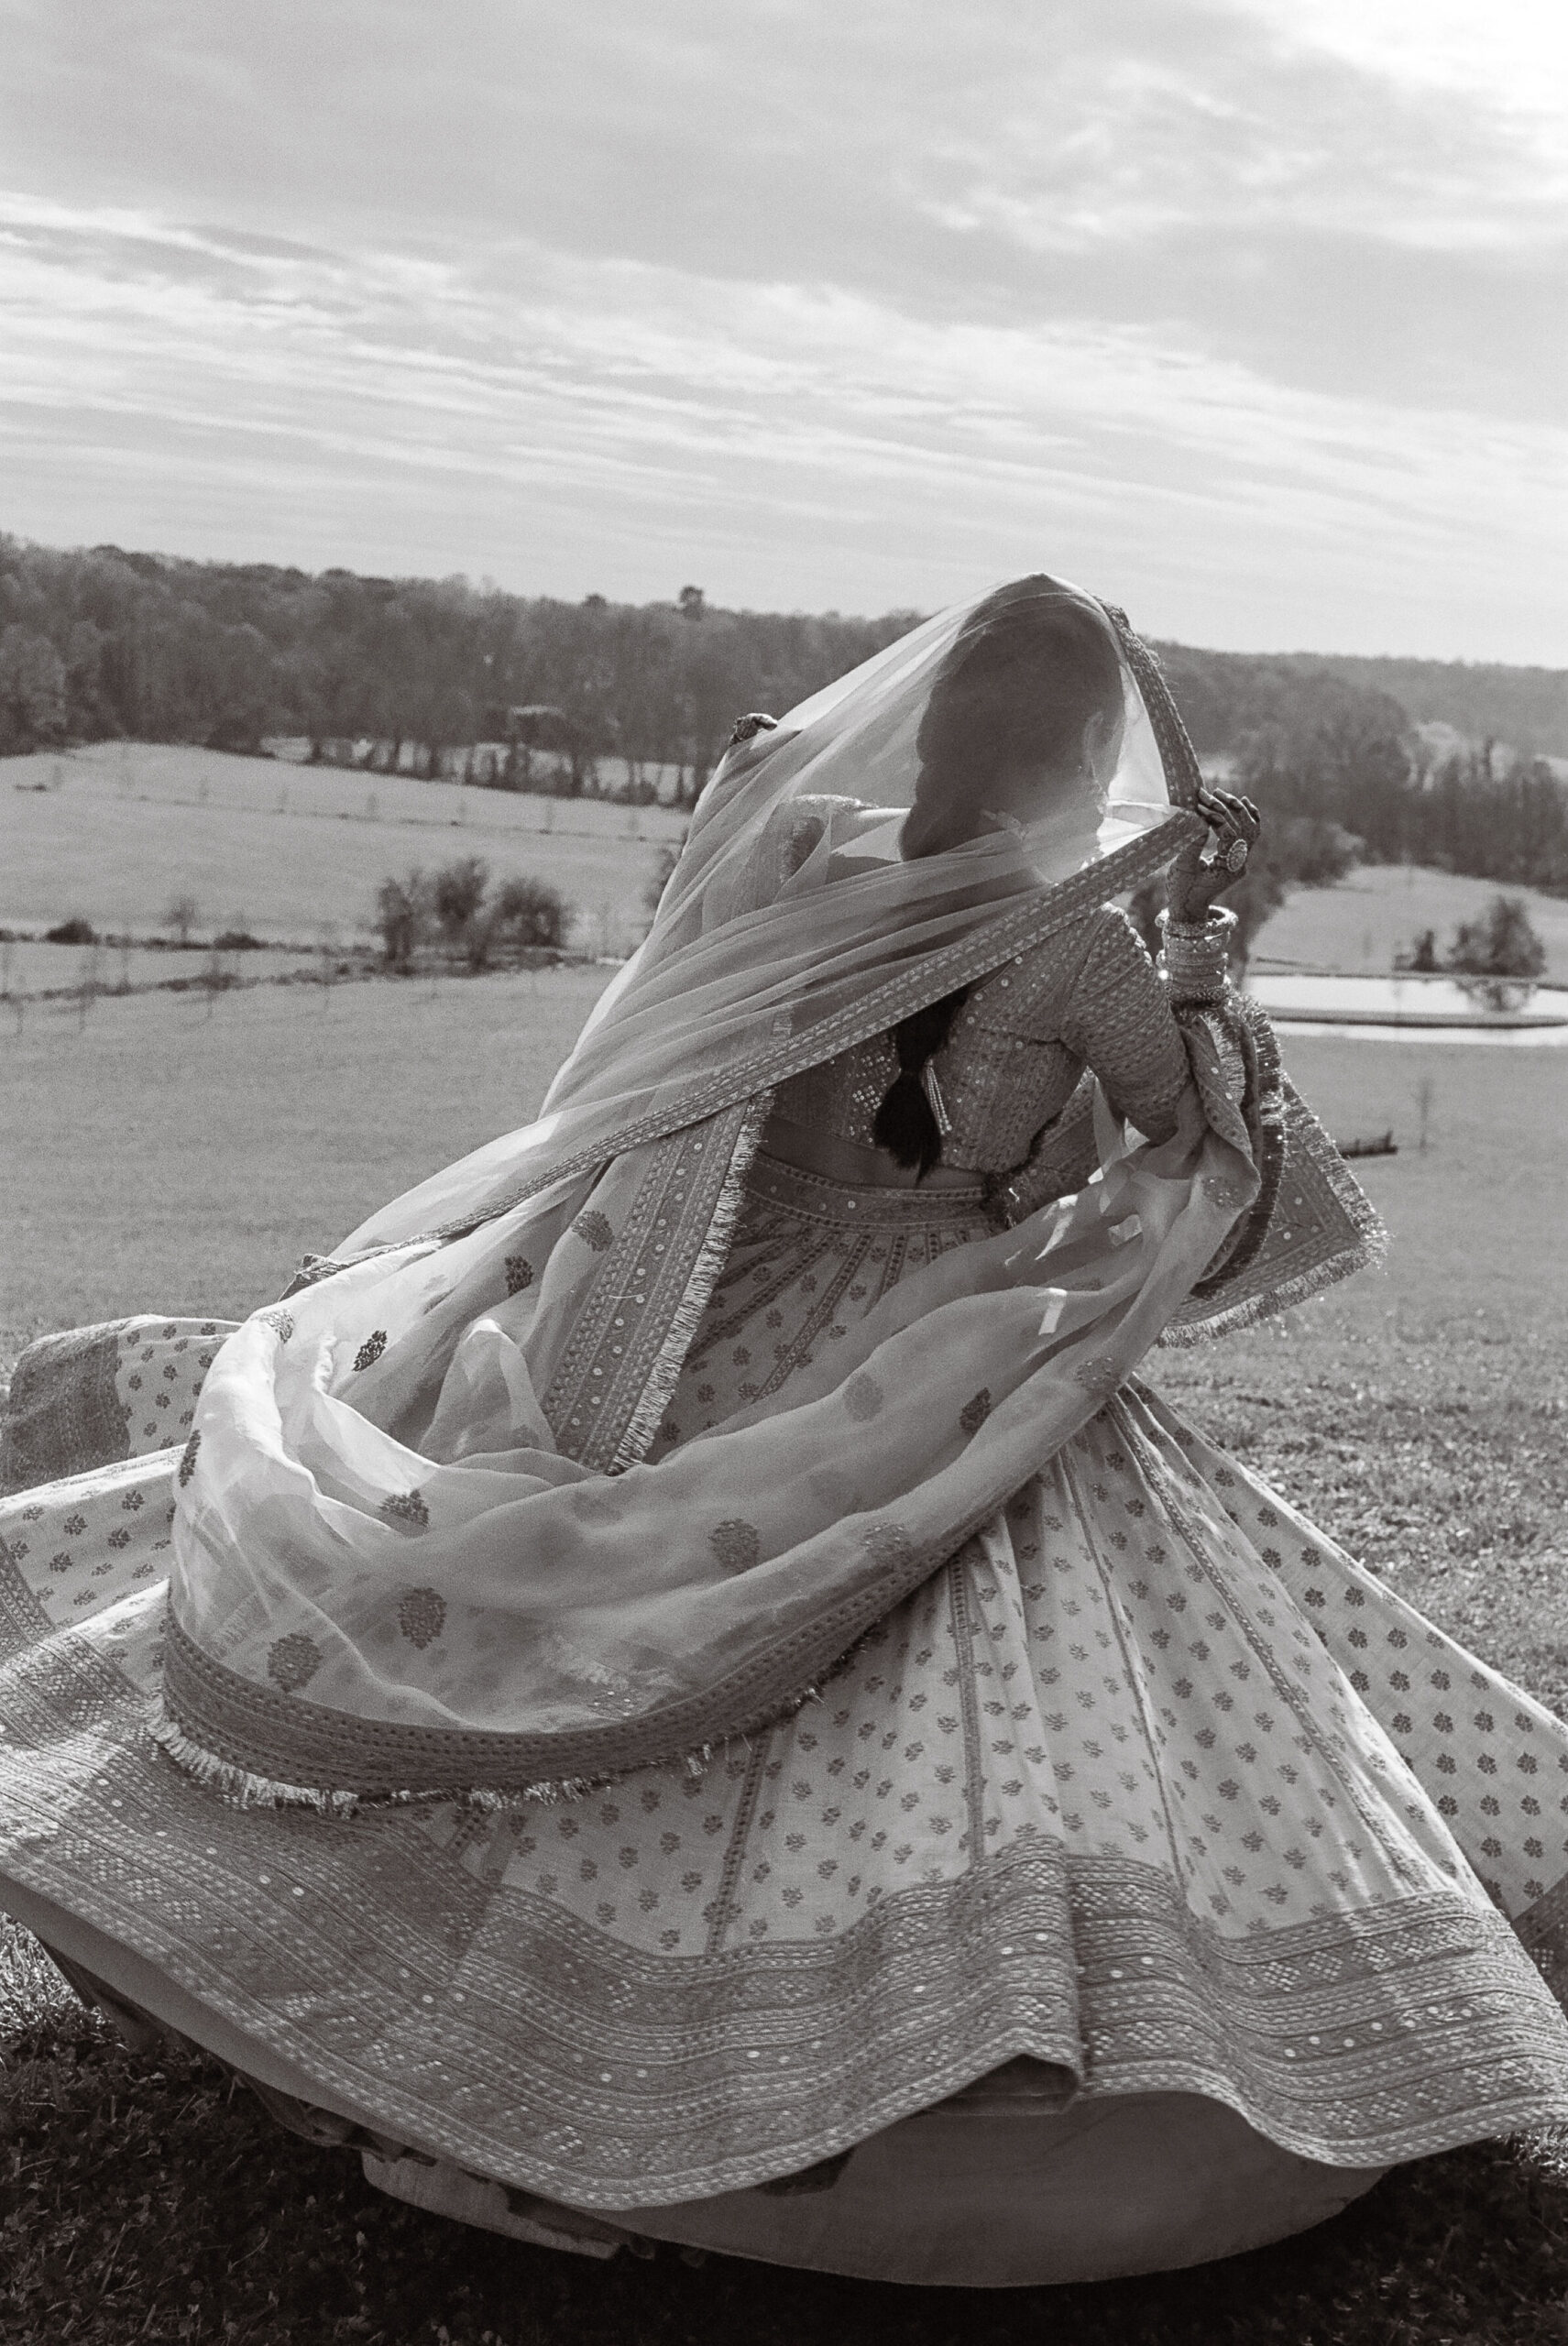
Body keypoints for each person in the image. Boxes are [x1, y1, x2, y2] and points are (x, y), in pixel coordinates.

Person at [4, 574, 1568, 2290]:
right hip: (943, 1348)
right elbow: (1224, 1169)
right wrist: (1205, 951)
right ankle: (928, 2033)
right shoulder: (1081, 939)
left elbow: (687, 984)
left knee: (613, 1604)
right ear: (1081, 768)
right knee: (978, 1662)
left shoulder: (814, 857)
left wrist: (736, 807)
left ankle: (411, 1970)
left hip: (715, 1309)